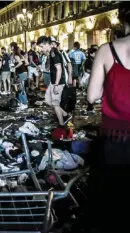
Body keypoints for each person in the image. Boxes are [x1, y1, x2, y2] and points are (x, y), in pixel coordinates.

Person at [86, 3, 130, 232]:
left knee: (115, 203)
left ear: (123, 20)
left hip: (116, 138)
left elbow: (92, 96)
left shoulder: (107, 50)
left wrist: (112, 88)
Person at [37, 36, 72, 126]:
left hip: (58, 83)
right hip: (53, 81)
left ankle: (61, 124)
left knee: (55, 104)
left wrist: (56, 85)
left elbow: (59, 69)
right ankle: (65, 115)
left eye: (41, 46)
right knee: (48, 101)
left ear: (46, 44)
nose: (41, 49)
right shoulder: (51, 53)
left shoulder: (54, 54)